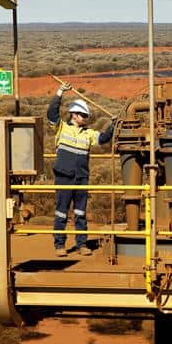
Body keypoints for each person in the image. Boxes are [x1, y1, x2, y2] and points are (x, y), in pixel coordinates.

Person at [47, 82, 116, 257]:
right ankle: (59, 245)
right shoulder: (61, 128)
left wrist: (114, 124)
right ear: (74, 115)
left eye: (86, 115)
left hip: (81, 177)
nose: (85, 118)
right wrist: (60, 93)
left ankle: (81, 244)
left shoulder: (89, 133)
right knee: (61, 212)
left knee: (80, 212)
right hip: (64, 176)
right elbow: (51, 114)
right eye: (83, 115)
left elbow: (104, 138)